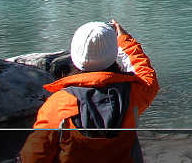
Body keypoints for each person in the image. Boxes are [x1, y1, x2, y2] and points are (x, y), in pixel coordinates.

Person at [18, 19, 159, 163]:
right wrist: (124, 39)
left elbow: (35, 155)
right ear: (113, 54)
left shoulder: (59, 103)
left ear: (74, 55)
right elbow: (147, 75)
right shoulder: (133, 93)